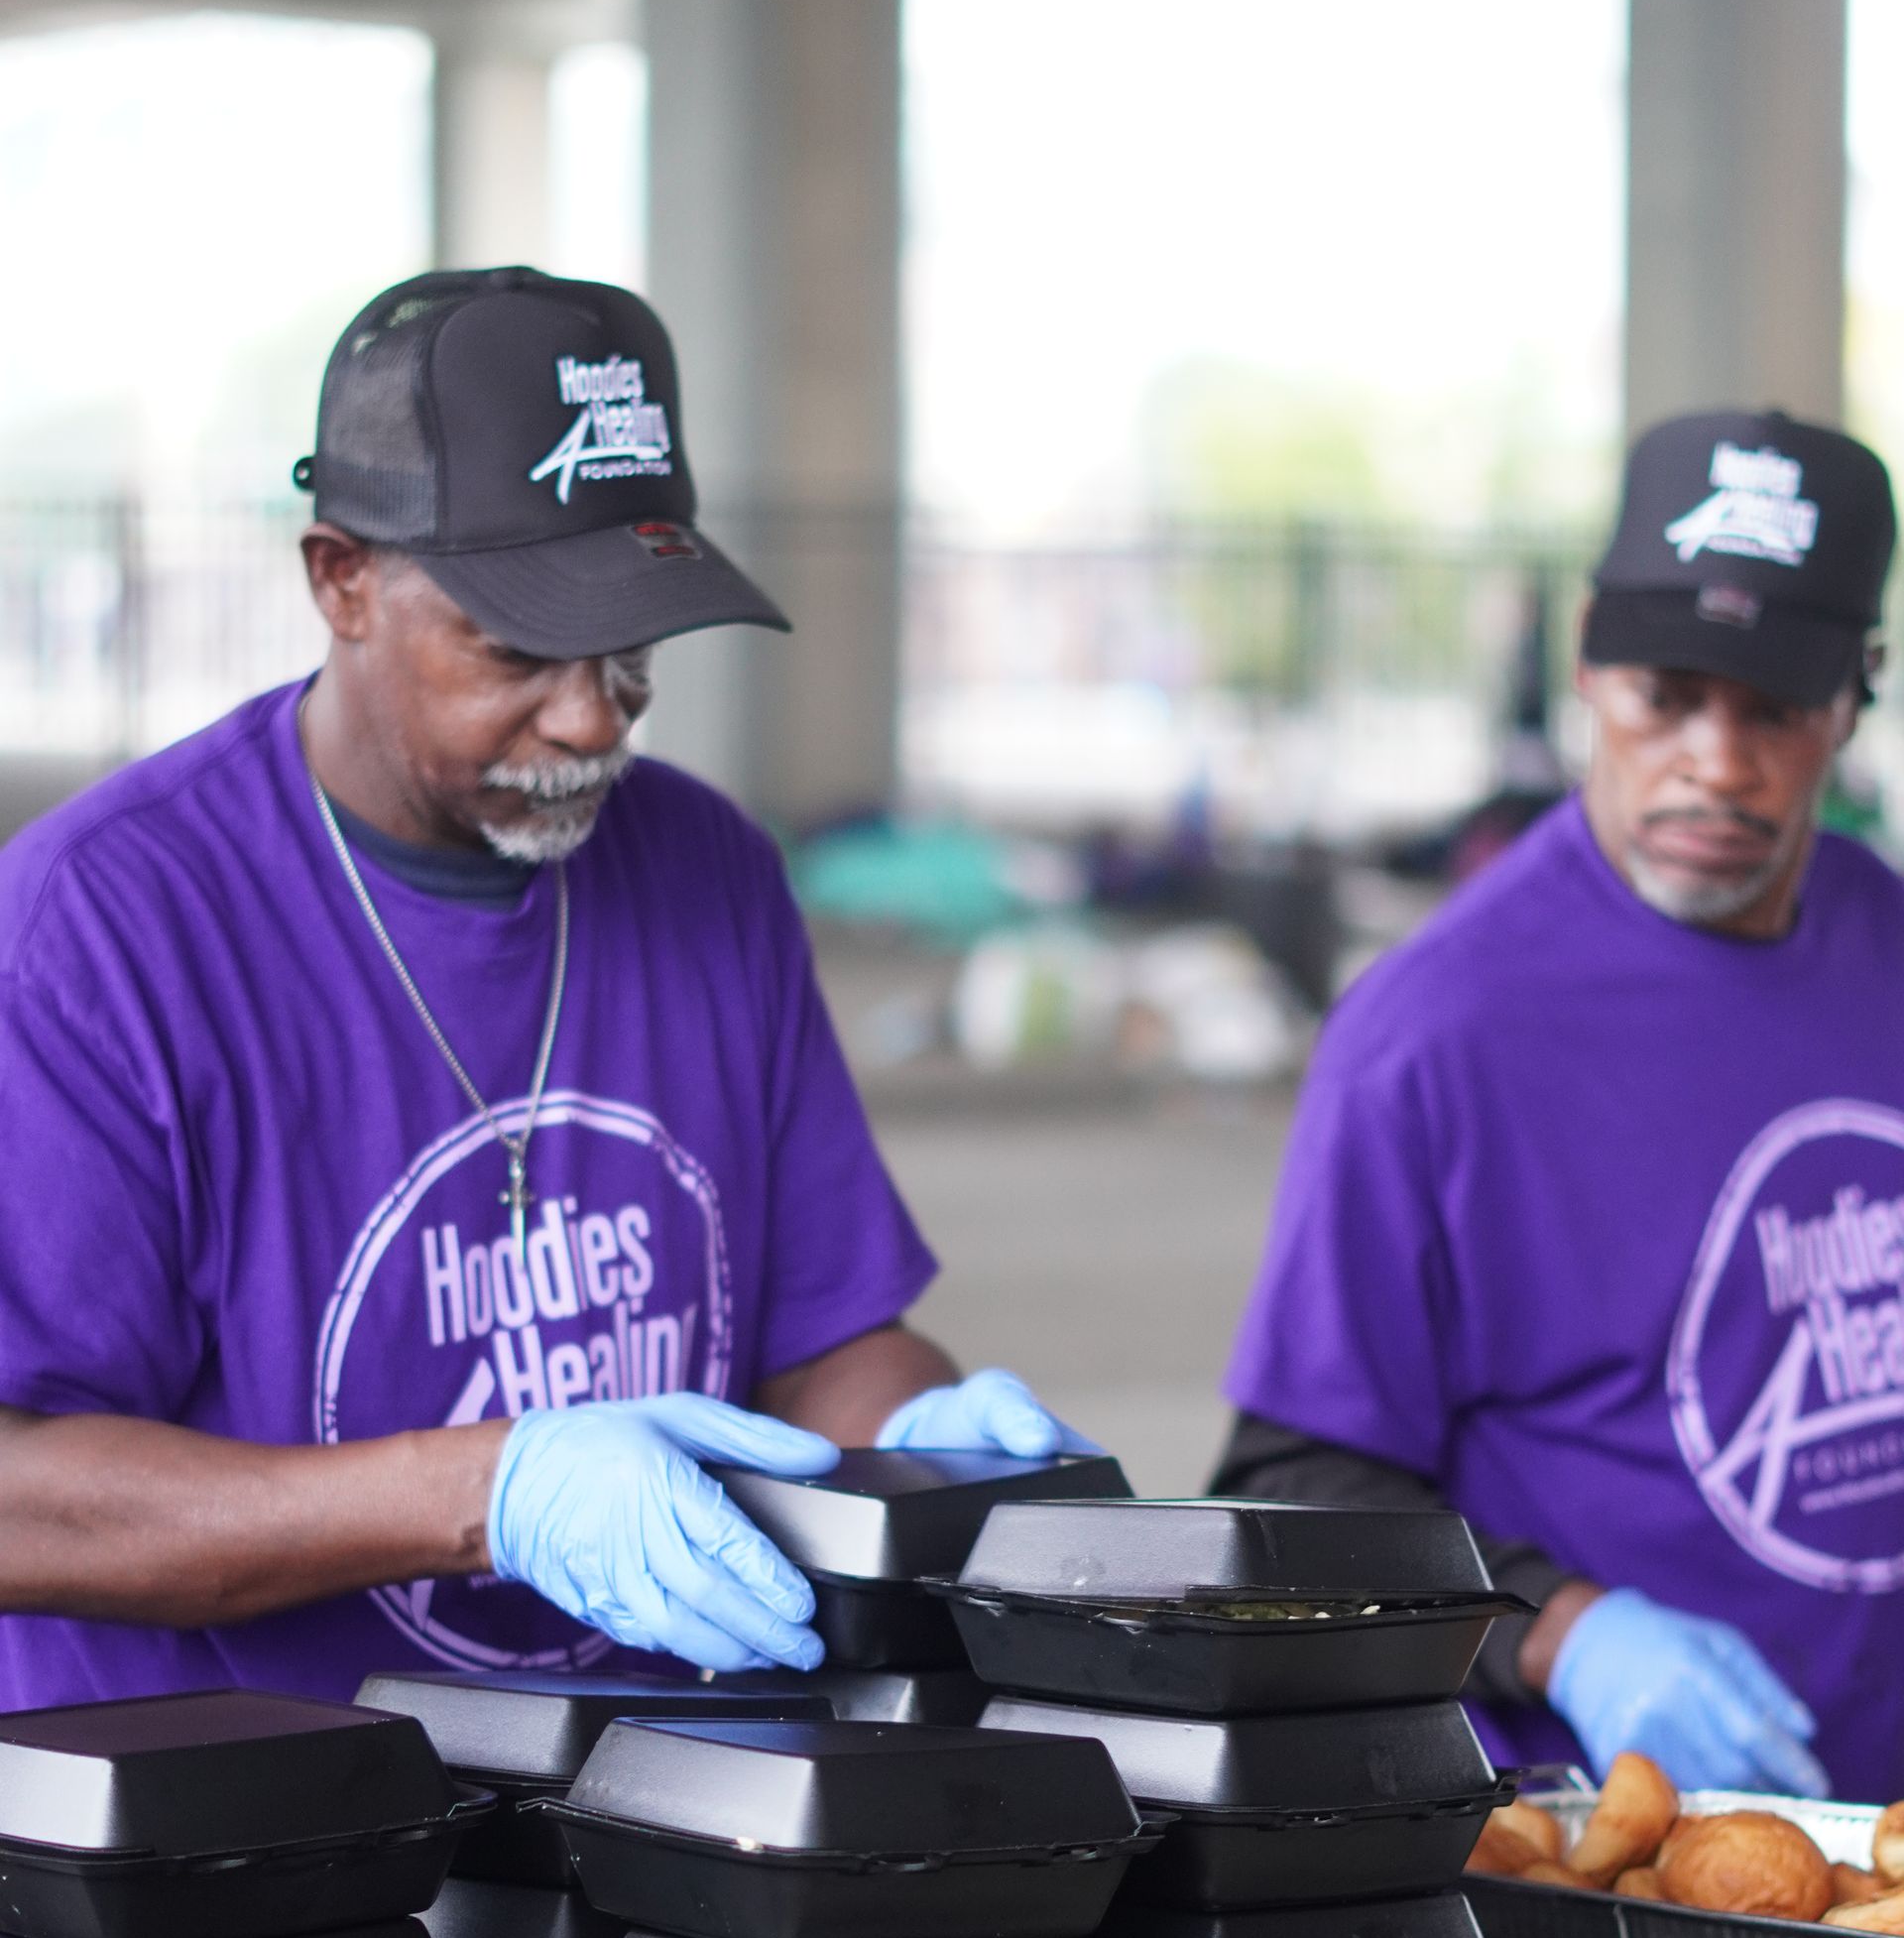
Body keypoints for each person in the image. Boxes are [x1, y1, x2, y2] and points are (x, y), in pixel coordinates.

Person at [0, 267, 1086, 1709]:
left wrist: (936, 1455)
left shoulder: (710, 871)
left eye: (631, 649)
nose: (586, 718)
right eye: (513, 648)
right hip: (231, 1847)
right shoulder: (104, 927)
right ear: (341, 579)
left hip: (645, 1811)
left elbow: (825, 1345)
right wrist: (486, 1490)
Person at [1220, 408, 1904, 1801]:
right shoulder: (1433, 1034)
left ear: (1856, 695)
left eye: (1773, 707)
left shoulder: (1887, 942)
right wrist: (1572, 1635)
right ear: (1589, 659)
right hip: (1606, 1862)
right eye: (1668, 692)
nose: (1716, 762)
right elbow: (1299, 1486)